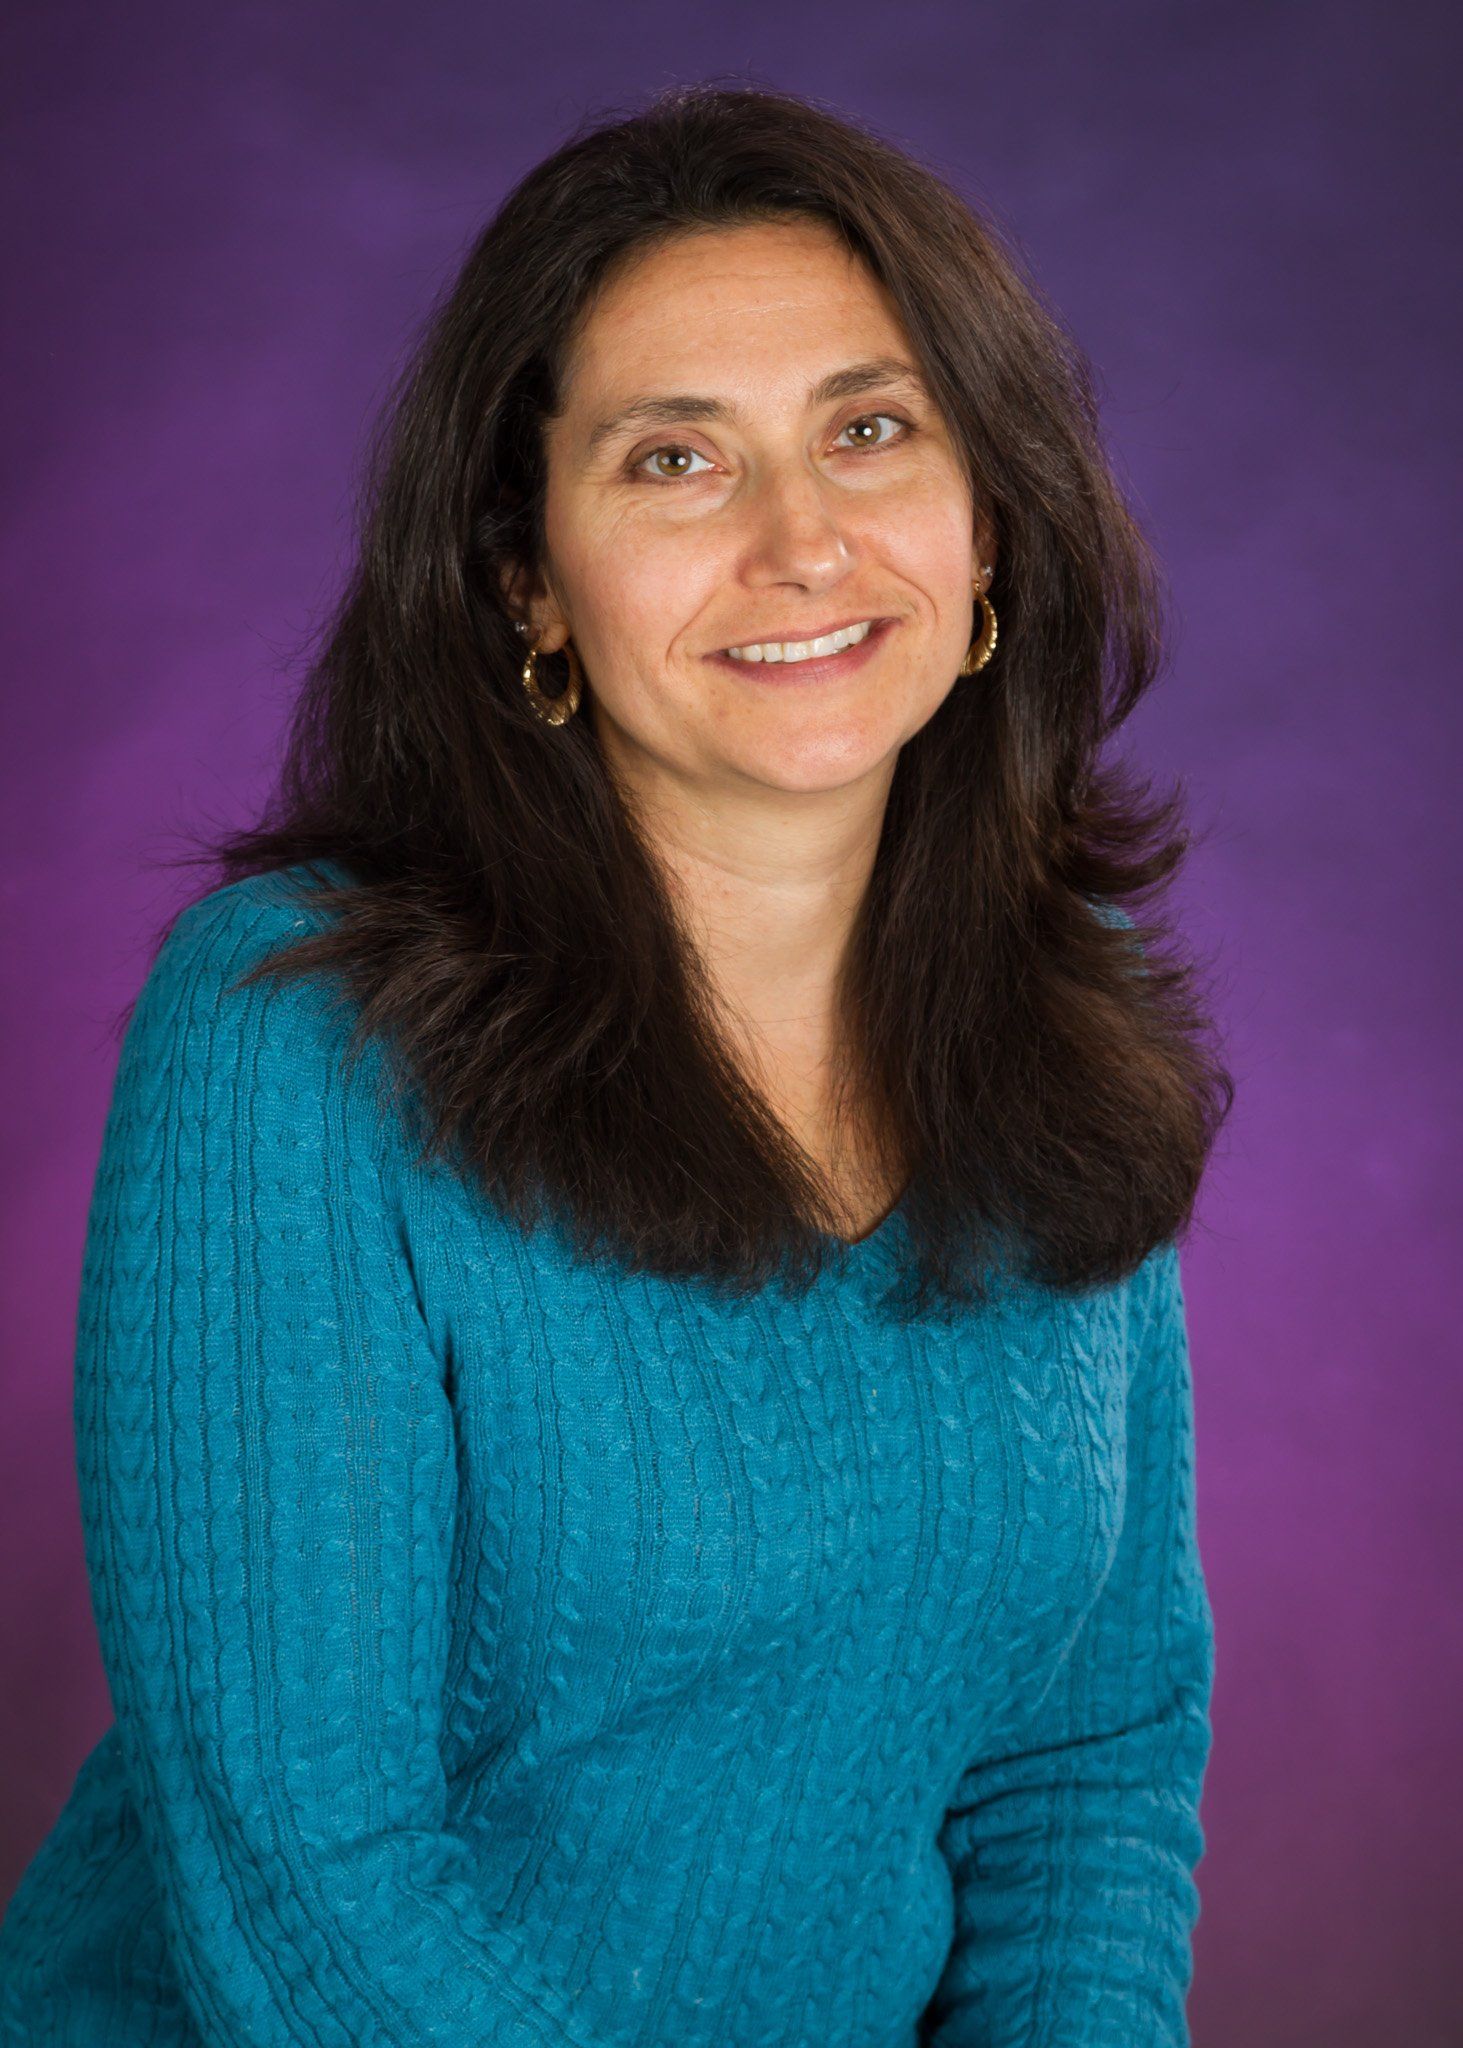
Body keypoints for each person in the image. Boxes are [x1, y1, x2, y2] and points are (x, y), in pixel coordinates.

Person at [0, 80, 1232, 2048]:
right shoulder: (297, 1038)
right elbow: (314, 1891)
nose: (801, 540)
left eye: (872, 428)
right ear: (525, 584)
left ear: (988, 523)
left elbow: (1086, 1757)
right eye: (679, 460)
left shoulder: (1058, 1007)